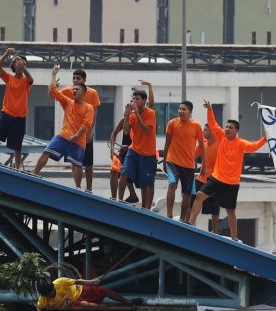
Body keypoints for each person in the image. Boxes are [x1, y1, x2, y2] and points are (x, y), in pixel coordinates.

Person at [185, 100, 267, 240]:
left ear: (236, 131)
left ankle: (234, 237)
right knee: (199, 195)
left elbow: (253, 147)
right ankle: (190, 224)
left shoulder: (241, 143)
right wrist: (210, 110)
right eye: (227, 127)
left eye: (230, 127)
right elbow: (213, 124)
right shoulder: (221, 136)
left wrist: (265, 138)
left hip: (231, 183)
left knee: (230, 211)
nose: (227, 129)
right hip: (216, 178)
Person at [32, 65, 95, 187]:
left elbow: (85, 125)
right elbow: (54, 91)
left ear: (84, 92)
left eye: (77, 89)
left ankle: (77, 187)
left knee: (77, 164)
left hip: (78, 140)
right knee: (46, 151)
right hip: (63, 136)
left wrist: (76, 136)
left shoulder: (89, 107)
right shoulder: (68, 101)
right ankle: (34, 174)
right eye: (73, 89)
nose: (74, 91)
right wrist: (54, 74)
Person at [109, 81, 157, 210]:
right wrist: (126, 114)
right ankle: (119, 200)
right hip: (133, 150)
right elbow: (125, 131)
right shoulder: (131, 115)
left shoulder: (150, 113)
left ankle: (145, 208)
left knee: (145, 182)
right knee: (123, 173)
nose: (134, 101)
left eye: (137, 99)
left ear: (144, 101)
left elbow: (146, 130)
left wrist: (137, 114)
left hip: (147, 153)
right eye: (133, 98)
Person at [0, 47, 33, 169]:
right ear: (14, 65)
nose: (21, 65)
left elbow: (31, 79)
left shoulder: (26, 81)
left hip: (19, 117)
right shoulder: (9, 78)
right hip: (6, 113)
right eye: (19, 62)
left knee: (17, 145)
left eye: (24, 63)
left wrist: (24, 68)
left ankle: (17, 168)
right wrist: (7, 54)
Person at [161, 101, 206, 221]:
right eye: (179, 109)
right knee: (172, 184)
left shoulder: (196, 126)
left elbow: (202, 147)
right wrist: (165, 160)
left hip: (188, 165)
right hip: (172, 161)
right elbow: (167, 142)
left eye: (184, 109)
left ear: (190, 112)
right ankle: (169, 215)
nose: (181, 111)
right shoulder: (172, 123)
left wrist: (204, 166)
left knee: (187, 193)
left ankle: (182, 219)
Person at [60, 69, 100, 191]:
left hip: (85, 133)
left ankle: (89, 189)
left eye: (78, 78)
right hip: (72, 134)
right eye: (74, 78)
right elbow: (56, 94)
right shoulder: (69, 91)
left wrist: (89, 131)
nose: (75, 80)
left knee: (88, 164)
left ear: (84, 80)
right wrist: (54, 86)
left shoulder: (92, 92)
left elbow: (95, 113)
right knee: (74, 161)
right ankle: (77, 187)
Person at [35, 276, 134, 311]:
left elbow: (77, 281)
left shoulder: (59, 282)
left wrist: (91, 282)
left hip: (80, 291)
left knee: (105, 291)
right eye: (49, 294)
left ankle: (129, 302)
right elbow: (39, 307)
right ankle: (112, 309)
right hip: (73, 303)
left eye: (52, 291)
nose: (52, 294)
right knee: (87, 304)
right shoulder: (43, 300)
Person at [194, 126, 221, 233]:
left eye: (205, 130)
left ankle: (215, 231)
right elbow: (193, 155)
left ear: (212, 132)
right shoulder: (203, 142)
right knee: (192, 200)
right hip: (201, 178)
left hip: (214, 180)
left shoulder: (219, 144)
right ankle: (190, 225)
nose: (202, 132)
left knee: (214, 208)